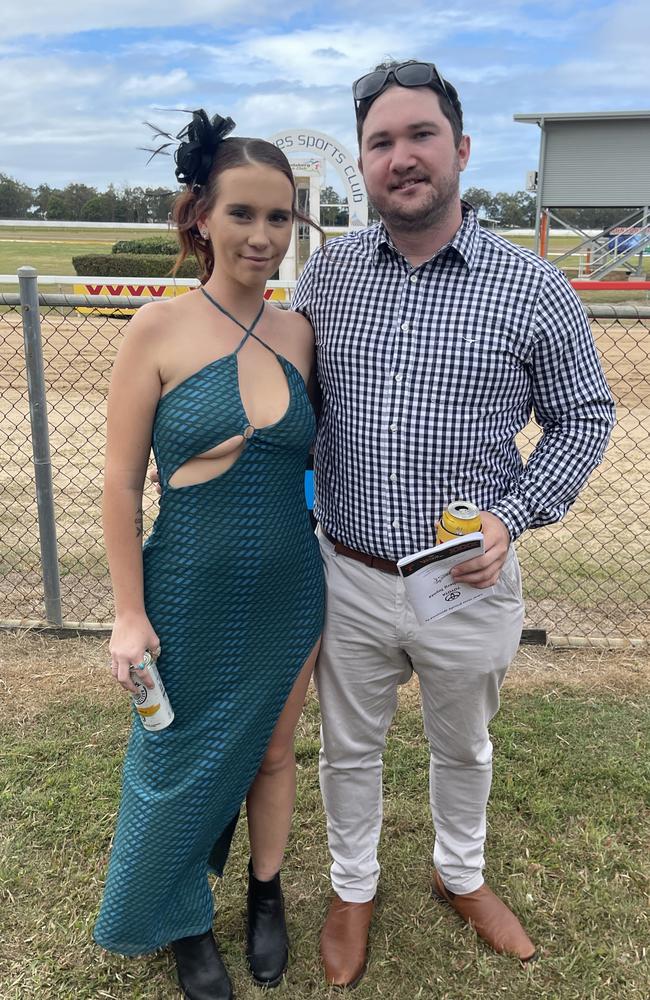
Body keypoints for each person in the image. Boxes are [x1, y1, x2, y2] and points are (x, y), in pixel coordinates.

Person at [291, 61, 616, 986]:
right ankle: (353, 887)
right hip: (347, 571)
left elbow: (585, 414)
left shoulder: (530, 285)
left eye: (420, 136)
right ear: (362, 164)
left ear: (462, 149)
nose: (402, 158)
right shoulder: (329, 274)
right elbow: (291, 404)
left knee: (463, 744)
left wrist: (515, 516)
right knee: (349, 746)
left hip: (465, 578)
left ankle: (457, 873)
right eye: (381, 143)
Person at [94, 110, 324, 1000]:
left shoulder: (302, 333)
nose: (263, 236)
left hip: (289, 588)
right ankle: (183, 917)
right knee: (172, 761)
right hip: (183, 587)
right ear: (200, 216)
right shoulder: (156, 330)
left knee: (272, 755)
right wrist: (126, 611)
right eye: (243, 215)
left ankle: (265, 894)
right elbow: (118, 485)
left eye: (281, 217)